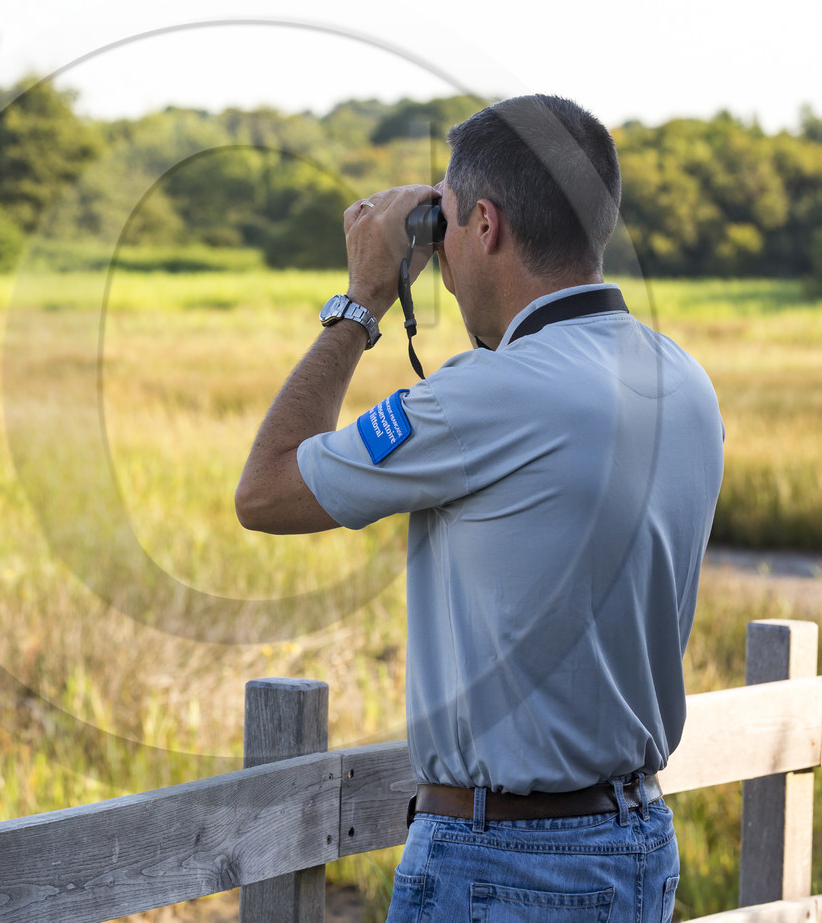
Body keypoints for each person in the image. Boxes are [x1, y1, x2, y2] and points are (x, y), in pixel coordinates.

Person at [234, 94, 724, 922]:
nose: (446, 255)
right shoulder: (682, 378)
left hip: (504, 865)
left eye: (450, 226)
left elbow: (267, 488)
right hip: (637, 843)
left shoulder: (492, 394)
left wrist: (362, 301)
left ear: (487, 226)